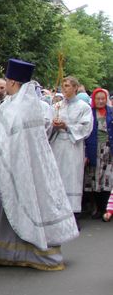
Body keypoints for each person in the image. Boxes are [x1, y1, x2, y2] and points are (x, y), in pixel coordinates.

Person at [0, 59, 78, 271]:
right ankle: (10, 252)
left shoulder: (20, 107)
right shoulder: (24, 103)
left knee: (26, 203)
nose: (5, 84)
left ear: (14, 82)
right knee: (17, 205)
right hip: (25, 163)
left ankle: (34, 252)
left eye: (7, 80)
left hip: (22, 165)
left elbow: (5, 137)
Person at [49, 77, 92, 219]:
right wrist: (53, 126)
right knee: (57, 176)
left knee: (72, 177)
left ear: (75, 88)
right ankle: (58, 211)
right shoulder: (57, 106)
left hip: (73, 146)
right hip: (57, 145)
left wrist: (67, 126)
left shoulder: (83, 107)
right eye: (63, 85)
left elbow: (86, 127)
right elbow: (47, 126)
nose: (64, 88)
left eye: (67, 86)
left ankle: (73, 214)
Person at [84, 88, 113, 218]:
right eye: (98, 98)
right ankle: (95, 207)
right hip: (93, 149)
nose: (101, 101)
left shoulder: (111, 112)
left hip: (108, 150)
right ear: (94, 99)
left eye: (103, 98)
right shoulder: (89, 113)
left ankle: (104, 208)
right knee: (94, 178)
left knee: (107, 179)